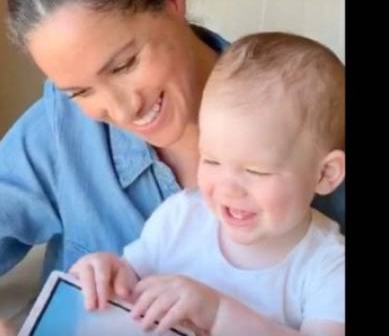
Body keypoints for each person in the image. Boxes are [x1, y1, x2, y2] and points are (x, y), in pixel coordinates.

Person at [0, 0, 344, 334]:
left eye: (125, 64)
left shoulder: (313, 121)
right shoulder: (61, 128)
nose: (122, 109)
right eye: (79, 91)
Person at [70, 32, 345, 336]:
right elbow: (130, 284)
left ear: (325, 174)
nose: (227, 189)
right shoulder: (179, 218)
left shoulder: (328, 267)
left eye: (256, 171)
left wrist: (218, 315)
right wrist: (108, 275)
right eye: (211, 160)